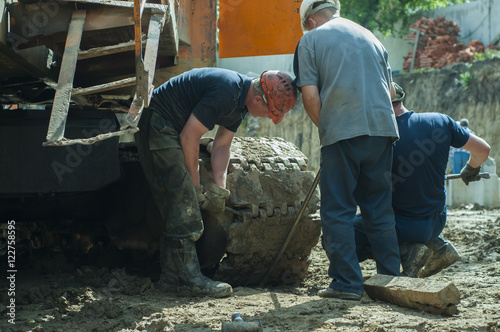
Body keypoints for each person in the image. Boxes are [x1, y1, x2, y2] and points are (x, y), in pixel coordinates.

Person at [135, 67, 297, 298]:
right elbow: (189, 136)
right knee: (183, 199)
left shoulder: (241, 102)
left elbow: (222, 146)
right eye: (269, 112)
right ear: (258, 99)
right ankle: (187, 280)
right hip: (159, 124)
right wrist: (196, 186)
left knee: (182, 198)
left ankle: (172, 278)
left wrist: (219, 188)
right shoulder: (227, 91)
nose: (267, 117)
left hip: (173, 127)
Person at [294, 0, 401, 300]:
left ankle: (346, 283)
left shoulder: (311, 40)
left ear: (311, 21)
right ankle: (391, 280)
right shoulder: (372, 37)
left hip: (342, 131)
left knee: (337, 210)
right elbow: (390, 91)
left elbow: (311, 96)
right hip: (383, 130)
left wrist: (327, 130)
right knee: (379, 208)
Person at [354, 83, 491, 278]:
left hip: (401, 227)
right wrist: (471, 168)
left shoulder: (379, 138)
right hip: (436, 223)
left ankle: (406, 251)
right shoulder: (440, 121)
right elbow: (483, 150)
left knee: (340, 235)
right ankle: (437, 245)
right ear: (401, 98)